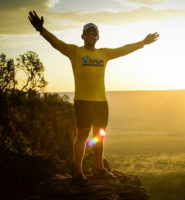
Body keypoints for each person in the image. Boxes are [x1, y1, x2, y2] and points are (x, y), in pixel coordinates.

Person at [28, 10, 159, 185]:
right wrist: (42, 30)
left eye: (94, 33)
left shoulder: (104, 53)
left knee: (100, 136)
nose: (90, 36)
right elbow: (56, 43)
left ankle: (99, 169)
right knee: (82, 135)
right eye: (87, 33)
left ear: (98, 38)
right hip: (83, 101)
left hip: (101, 102)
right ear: (82, 36)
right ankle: (77, 173)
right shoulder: (74, 51)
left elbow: (123, 50)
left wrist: (142, 42)